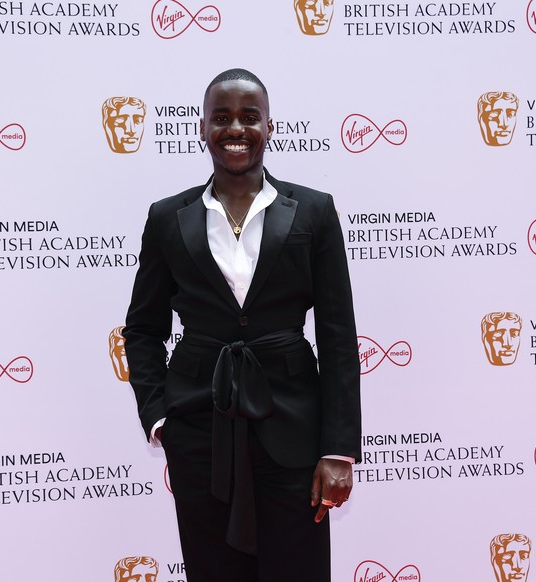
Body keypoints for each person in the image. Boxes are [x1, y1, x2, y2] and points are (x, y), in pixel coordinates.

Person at [122, 68, 361, 582]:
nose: (236, 129)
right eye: (222, 118)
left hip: (293, 431)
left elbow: (338, 334)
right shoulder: (168, 217)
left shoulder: (314, 211)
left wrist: (338, 448)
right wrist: (160, 415)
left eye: (249, 118)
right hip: (200, 430)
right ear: (202, 128)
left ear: (270, 127)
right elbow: (142, 328)